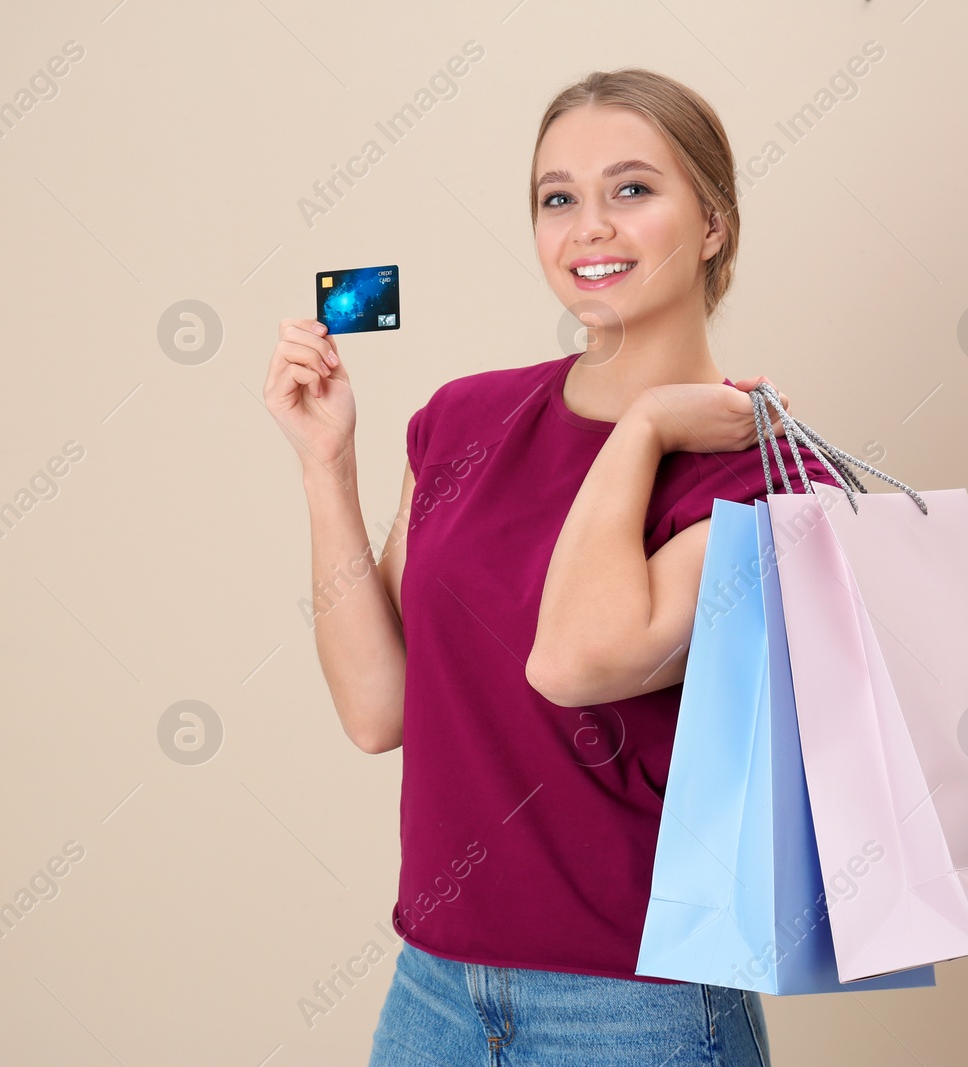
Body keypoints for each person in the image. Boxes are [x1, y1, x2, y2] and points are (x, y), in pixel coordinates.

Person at [264, 67, 842, 1066]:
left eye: (631, 189)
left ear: (711, 221)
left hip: (636, 1012)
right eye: (556, 198)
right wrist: (326, 466)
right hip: (434, 988)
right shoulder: (463, 419)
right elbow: (377, 708)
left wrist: (651, 421)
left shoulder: (771, 476)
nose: (588, 228)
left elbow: (578, 660)